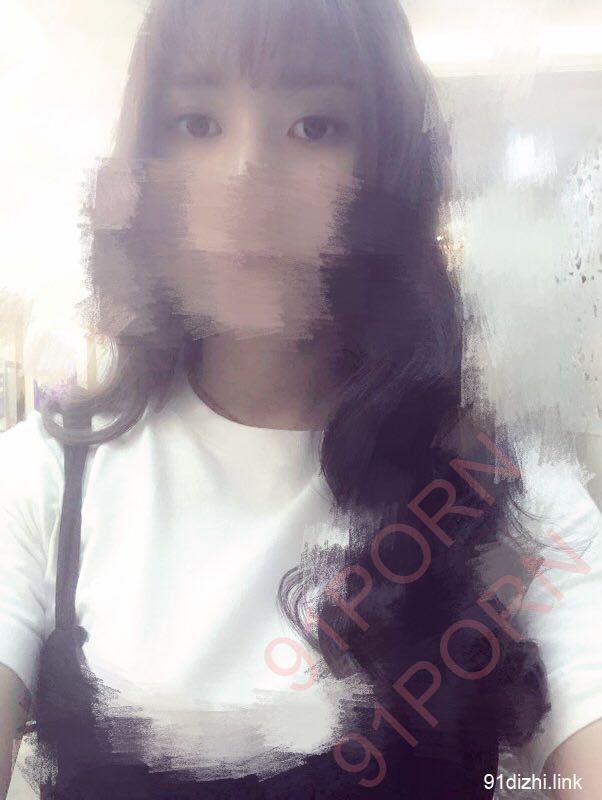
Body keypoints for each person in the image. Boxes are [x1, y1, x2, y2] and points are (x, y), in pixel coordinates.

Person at [1, 1, 600, 798]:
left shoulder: (516, 502)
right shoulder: (44, 483)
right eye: (196, 123)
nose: (246, 176)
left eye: (315, 126)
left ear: (386, 174)